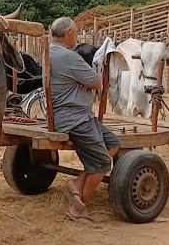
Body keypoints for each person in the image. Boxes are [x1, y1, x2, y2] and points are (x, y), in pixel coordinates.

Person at [49, 17, 121, 225]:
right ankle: (77, 209)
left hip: (73, 116)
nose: (78, 37)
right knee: (101, 164)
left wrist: (82, 84)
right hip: (75, 119)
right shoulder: (69, 57)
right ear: (70, 33)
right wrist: (86, 84)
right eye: (77, 32)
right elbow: (97, 82)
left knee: (114, 144)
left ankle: (77, 183)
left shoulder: (49, 52)